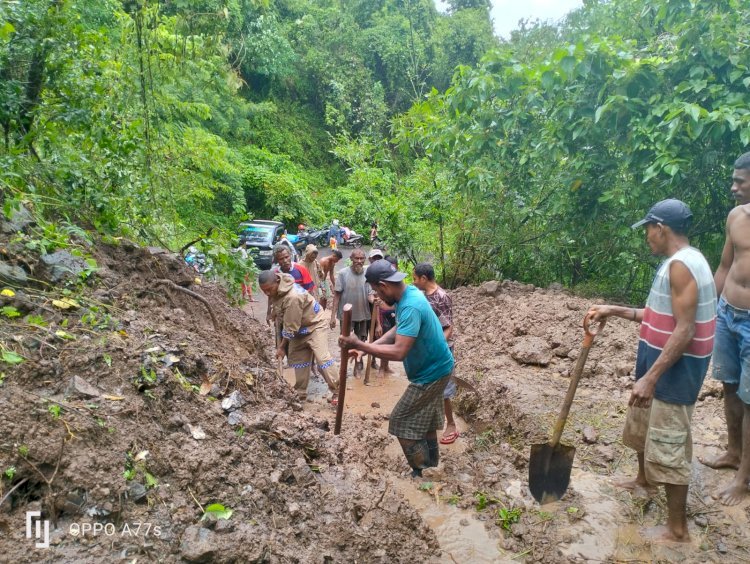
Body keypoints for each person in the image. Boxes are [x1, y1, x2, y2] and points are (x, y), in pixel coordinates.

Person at [588, 199, 716, 543]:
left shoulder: (682, 266)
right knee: (644, 424)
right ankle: (643, 481)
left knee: (670, 442)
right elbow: (660, 314)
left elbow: (685, 329)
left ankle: (677, 530)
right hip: (658, 358)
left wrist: (651, 376)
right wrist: (613, 310)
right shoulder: (677, 262)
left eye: (648, 229)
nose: (646, 237)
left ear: (662, 228)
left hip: (675, 370)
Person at [340, 259, 454, 477]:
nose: (378, 297)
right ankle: (432, 467)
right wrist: (367, 348)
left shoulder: (410, 305)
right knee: (427, 422)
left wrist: (359, 344)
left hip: (431, 374)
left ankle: (421, 473)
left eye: (376, 291)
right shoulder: (409, 294)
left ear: (384, 285)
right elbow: (399, 330)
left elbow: (399, 351)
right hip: (438, 367)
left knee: (400, 420)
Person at [699, 152, 750, 506]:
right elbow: (723, 266)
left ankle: (744, 478)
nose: (733, 187)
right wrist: (707, 310)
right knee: (729, 388)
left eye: (740, 182)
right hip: (726, 313)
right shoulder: (735, 216)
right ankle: (733, 452)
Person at [258, 270, 338, 404]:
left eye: (268, 290)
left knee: (322, 359)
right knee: (300, 360)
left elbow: (290, 328)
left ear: (277, 282)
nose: (267, 294)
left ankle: (337, 391)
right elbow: (278, 305)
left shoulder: (293, 297)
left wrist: (282, 347)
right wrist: (274, 312)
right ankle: (300, 394)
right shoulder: (278, 285)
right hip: (299, 328)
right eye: (263, 291)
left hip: (314, 324)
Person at [413, 262, 459, 445]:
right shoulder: (423, 296)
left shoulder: (441, 297)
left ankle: (452, 425)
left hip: (441, 349)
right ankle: (428, 424)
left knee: (445, 390)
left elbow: (449, 327)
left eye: (415, 278)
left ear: (424, 278)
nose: (414, 282)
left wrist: (436, 346)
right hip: (426, 349)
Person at [330, 248, 374, 376]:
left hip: (363, 314)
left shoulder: (368, 274)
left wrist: (375, 301)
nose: (359, 261)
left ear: (364, 260)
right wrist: (332, 316)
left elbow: (370, 294)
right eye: (356, 258)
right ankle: (343, 368)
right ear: (351, 259)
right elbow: (337, 295)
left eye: (361, 259)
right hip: (346, 316)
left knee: (360, 342)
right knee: (345, 342)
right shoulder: (343, 273)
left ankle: (357, 366)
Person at [265, 245, 315, 325]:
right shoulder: (275, 274)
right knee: (282, 333)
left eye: (286, 257)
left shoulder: (301, 270)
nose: (285, 260)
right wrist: (268, 313)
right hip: (281, 312)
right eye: (281, 259)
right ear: (277, 260)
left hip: (301, 309)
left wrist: (310, 310)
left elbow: (310, 292)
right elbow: (271, 295)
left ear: (290, 256)